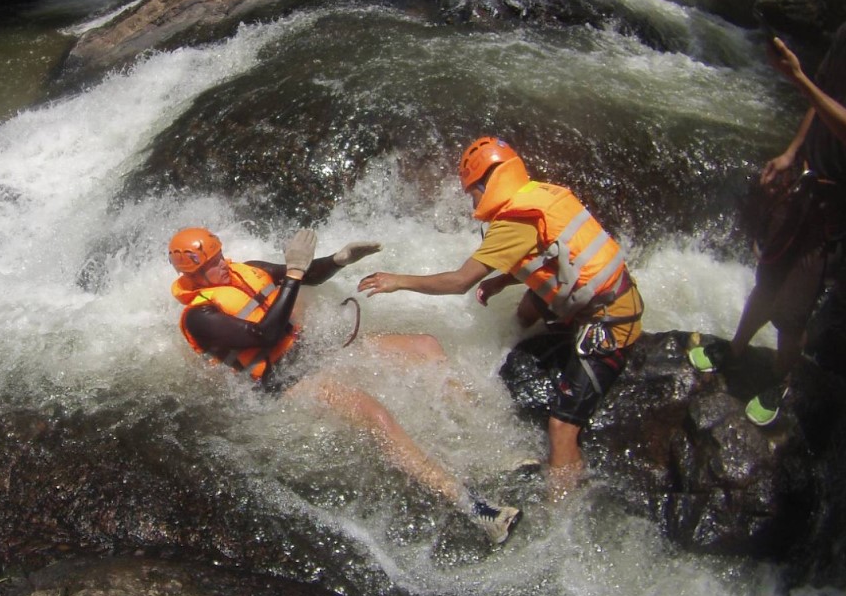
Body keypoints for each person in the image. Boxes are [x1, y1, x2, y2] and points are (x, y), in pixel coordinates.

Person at [168, 225, 522, 544]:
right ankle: (476, 509)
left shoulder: (248, 269)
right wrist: (292, 272)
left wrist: (339, 259)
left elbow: (309, 275)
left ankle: (494, 451)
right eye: (213, 264)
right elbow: (266, 333)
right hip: (286, 382)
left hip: (312, 352)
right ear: (193, 275)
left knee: (425, 347)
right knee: (376, 416)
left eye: (219, 255)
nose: (223, 265)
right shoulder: (200, 317)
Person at [357, 137, 644, 499]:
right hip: (612, 294)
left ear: (485, 183)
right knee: (527, 306)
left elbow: (460, 281)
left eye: (471, 192)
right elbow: (549, 253)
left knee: (561, 427)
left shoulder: (513, 221)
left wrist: (398, 281)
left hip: (610, 321)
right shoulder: (540, 195)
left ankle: (562, 510)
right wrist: (500, 281)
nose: (472, 201)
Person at [701, 28, 846, 426]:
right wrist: (791, 152)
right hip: (808, 181)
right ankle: (735, 351)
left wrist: (798, 79)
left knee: (792, 310)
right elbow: (821, 99)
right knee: (767, 276)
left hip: (835, 202)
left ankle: (783, 380)